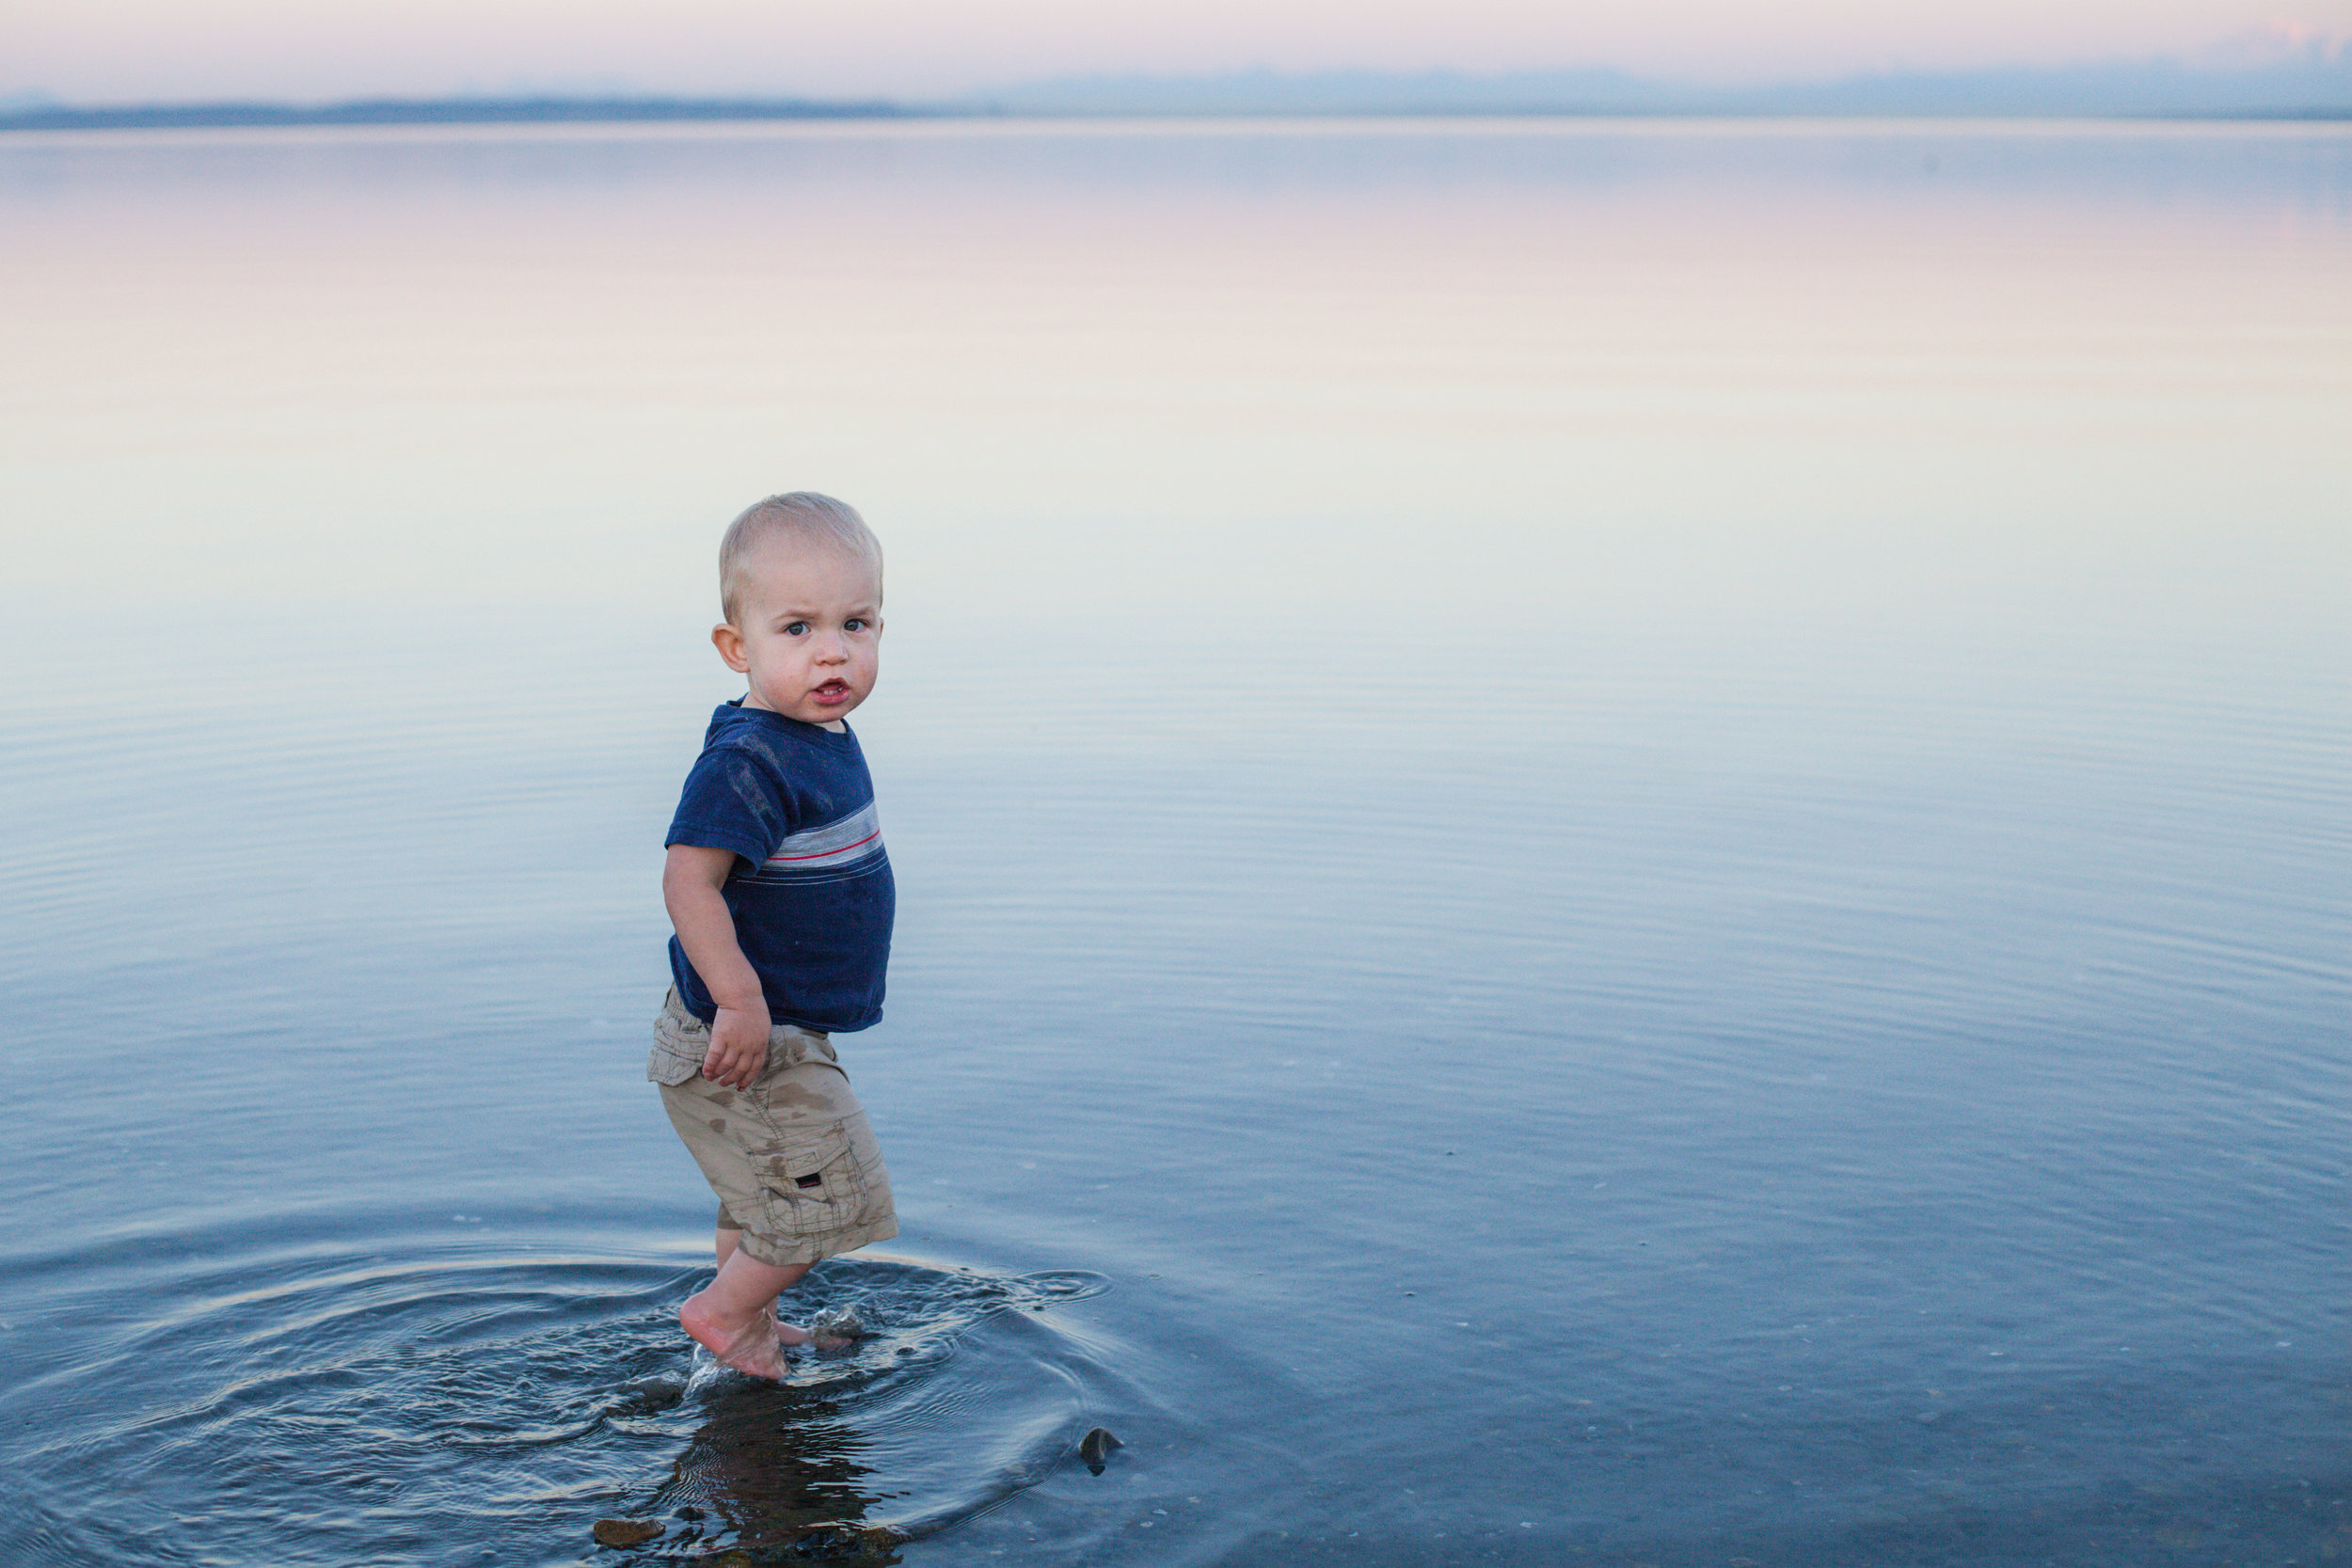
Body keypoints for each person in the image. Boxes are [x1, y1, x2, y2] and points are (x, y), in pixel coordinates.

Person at [649, 491, 899, 1380]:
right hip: (755, 1035)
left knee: (756, 1194)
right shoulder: (748, 759)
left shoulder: (816, 730)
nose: (832, 648)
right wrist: (741, 998)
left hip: (779, 1028)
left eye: (855, 622)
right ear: (736, 647)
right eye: (796, 627)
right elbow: (689, 877)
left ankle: (750, 1321)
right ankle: (722, 1312)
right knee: (838, 1200)